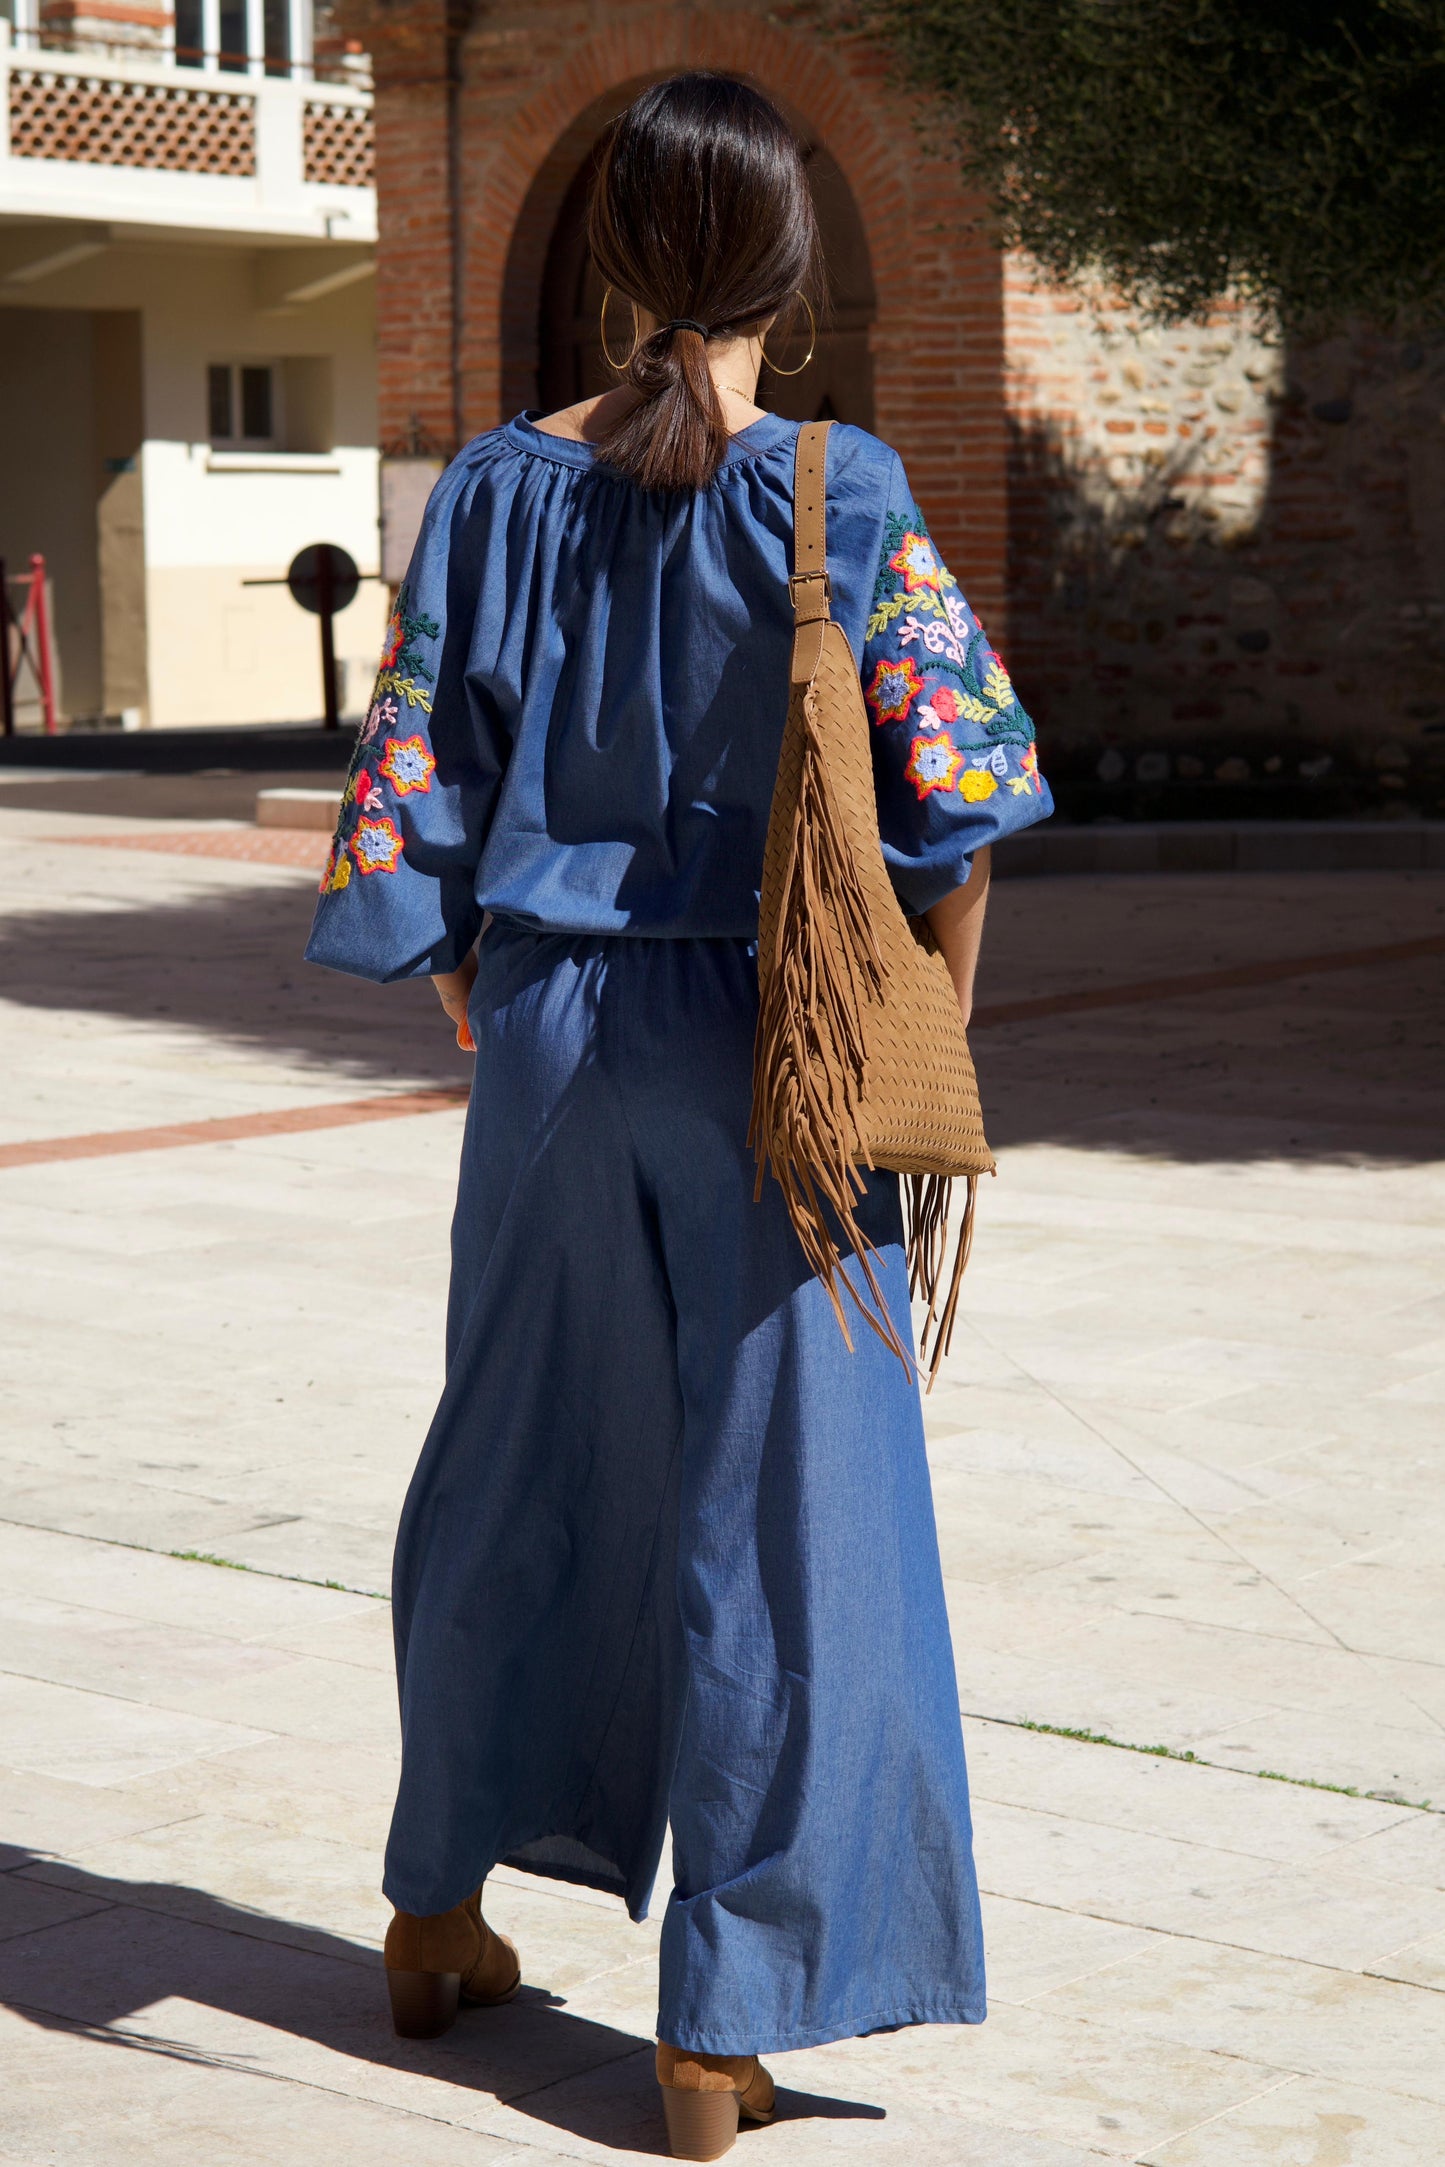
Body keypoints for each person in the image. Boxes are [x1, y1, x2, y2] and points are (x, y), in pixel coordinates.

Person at [306, 70, 1052, 2163]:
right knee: (785, 1525)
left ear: (624, 259)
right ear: (790, 263)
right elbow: (964, 798)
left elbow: (410, 781)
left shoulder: (490, 489)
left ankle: (436, 1904)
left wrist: (484, 978)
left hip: (546, 1032)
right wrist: (917, 1032)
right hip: (773, 1052)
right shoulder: (845, 487)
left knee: (515, 1452)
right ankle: (717, 2030)